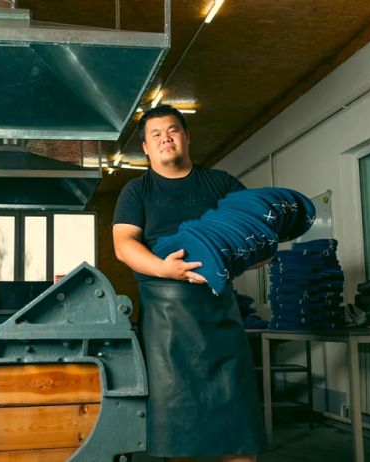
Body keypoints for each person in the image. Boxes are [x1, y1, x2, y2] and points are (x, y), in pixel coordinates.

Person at [112, 105, 265, 461]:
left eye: (173, 130)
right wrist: (165, 270)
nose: (166, 138)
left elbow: (258, 236)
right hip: (167, 326)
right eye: (156, 134)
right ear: (146, 148)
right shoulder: (137, 191)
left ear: (186, 137)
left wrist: (247, 253)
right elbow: (124, 245)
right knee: (180, 437)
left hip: (220, 317)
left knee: (238, 434)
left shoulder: (221, 183)